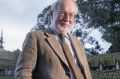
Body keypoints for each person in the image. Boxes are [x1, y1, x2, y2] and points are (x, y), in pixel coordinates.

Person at [15, 0, 92, 79]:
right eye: (62, 13)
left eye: (71, 15)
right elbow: (23, 74)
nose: (67, 18)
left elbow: (87, 73)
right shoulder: (35, 37)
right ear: (51, 14)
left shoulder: (78, 43)